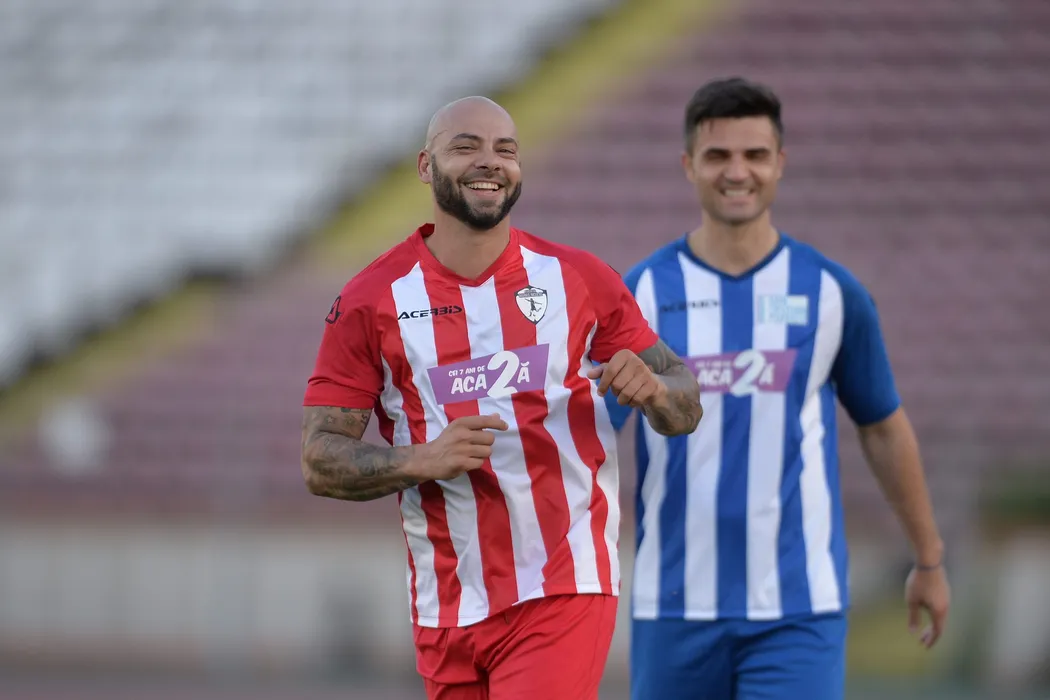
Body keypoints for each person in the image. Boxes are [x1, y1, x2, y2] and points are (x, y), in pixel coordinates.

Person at [300, 96, 703, 700]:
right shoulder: (370, 300)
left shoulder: (579, 278)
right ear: (425, 166)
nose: (489, 161)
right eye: (465, 146)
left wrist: (656, 391)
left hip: (562, 584)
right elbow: (319, 458)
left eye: (505, 150)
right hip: (446, 604)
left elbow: (685, 398)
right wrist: (422, 459)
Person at [606, 77, 952, 700]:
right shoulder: (640, 295)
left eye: (755, 155)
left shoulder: (831, 293)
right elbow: (589, 430)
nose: (737, 171)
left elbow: (882, 427)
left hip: (797, 608)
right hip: (672, 605)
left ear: (780, 163)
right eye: (718, 155)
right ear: (688, 165)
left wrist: (928, 558)